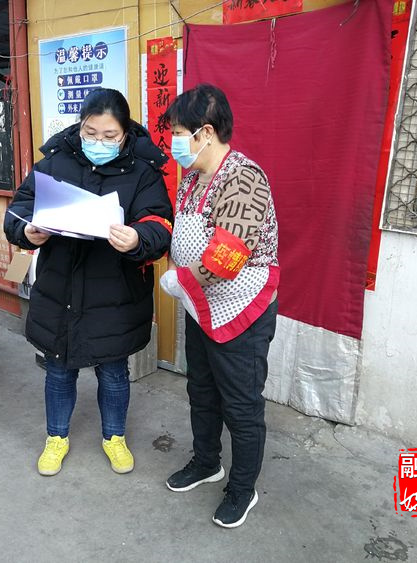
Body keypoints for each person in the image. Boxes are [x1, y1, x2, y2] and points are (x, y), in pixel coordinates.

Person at [4, 88, 173, 477]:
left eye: (109, 136)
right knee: (58, 369)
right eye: (90, 133)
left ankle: (114, 437)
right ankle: (56, 437)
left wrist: (138, 238)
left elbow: (161, 223)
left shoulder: (143, 171)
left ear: (125, 133)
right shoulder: (55, 161)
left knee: (113, 372)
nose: (98, 142)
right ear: (80, 127)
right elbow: (20, 208)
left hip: (115, 293)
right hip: (60, 289)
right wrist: (27, 231)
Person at [159, 84, 279, 528]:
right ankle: (207, 462)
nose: (174, 142)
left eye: (178, 133)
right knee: (202, 391)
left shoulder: (245, 178)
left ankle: (242, 489)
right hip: (201, 305)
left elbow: (228, 256)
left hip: (242, 307)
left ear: (205, 132)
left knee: (241, 404)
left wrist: (180, 279)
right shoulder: (193, 179)